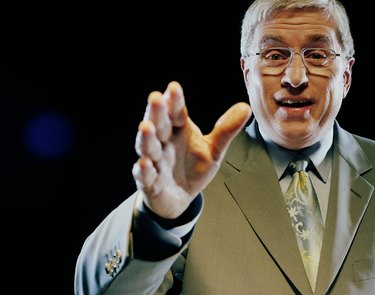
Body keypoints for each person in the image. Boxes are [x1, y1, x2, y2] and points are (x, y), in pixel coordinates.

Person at [74, 0, 375, 294]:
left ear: (346, 76)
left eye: (318, 55)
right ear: (247, 73)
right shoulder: (192, 182)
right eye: (274, 55)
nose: (295, 77)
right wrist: (158, 219)